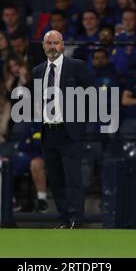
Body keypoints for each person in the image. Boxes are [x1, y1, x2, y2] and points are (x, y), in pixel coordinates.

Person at [31, 30, 94, 229]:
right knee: (56, 180)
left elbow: (93, 94)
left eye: (55, 43)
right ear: (43, 46)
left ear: (62, 45)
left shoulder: (77, 67)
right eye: (48, 43)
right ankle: (64, 218)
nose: (52, 47)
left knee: (73, 178)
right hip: (49, 132)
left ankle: (77, 219)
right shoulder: (38, 71)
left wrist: (82, 121)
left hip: (70, 132)